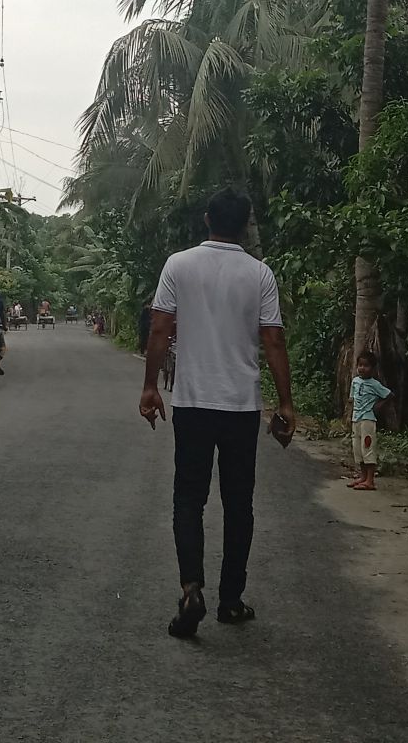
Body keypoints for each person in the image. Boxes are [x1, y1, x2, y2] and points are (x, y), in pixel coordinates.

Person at [139, 187, 296, 639]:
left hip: (192, 402)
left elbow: (160, 328)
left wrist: (150, 386)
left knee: (189, 499)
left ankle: (191, 589)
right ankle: (230, 600)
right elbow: (273, 339)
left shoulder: (178, 265)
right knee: (238, 503)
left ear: (207, 219)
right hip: (240, 406)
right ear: (245, 226)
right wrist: (285, 402)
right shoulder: (260, 274)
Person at [348, 349, 392, 490]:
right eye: (360, 365)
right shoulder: (355, 381)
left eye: (366, 365)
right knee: (357, 449)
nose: (362, 368)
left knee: (367, 448)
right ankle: (363, 476)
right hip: (356, 419)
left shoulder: (375, 384)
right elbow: (352, 399)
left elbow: (389, 395)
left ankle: (370, 480)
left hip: (368, 420)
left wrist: (378, 405)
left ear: (372, 368)